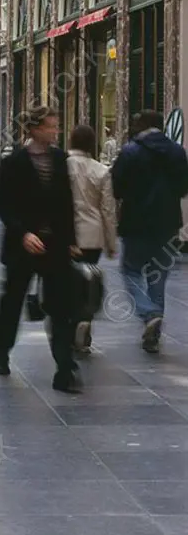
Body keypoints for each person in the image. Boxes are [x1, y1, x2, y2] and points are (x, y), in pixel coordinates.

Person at [0, 106, 81, 393]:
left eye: (56, 126)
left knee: (62, 306)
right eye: (50, 127)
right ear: (33, 129)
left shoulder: (60, 160)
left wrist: (71, 240)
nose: (56, 131)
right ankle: (2, 352)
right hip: (23, 246)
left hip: (55, 245)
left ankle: (65, 368)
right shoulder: (13, 162)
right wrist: (22, 234)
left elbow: (68, 203)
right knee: (13, 300)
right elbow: (4, 204)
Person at [111, 109, 188, 353]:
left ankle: (148, 313)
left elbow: (117, 187)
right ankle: (153, 335)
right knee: (159, 275)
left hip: (137, 222)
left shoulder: (130, 151)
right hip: (168, 223)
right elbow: (184, 187)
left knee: (131, 270)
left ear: (143, 125)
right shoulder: (177, 151)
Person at [67, 124, 117, 353]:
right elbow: (108, 209)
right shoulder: (101, 170)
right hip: (93, 234)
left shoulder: (62, 166)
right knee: (89, 280)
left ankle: (72, 323)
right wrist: (111, 242)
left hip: (68, 234)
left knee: (68, 281)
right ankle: (85, 321)